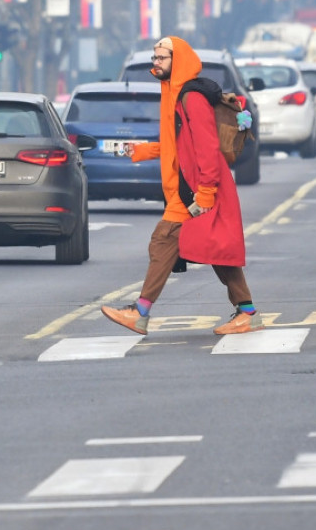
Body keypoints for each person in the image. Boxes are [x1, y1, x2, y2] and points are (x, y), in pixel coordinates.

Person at [100, 36, 264, 336]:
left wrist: (206, 192)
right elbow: (178, 144)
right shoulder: (173, 93)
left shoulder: (191, 98)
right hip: (191, 187)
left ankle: (141, 312)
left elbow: (207, 146)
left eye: (161, 58)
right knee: (214, 250)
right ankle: (247, 311)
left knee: (163, 241)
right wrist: (140, 151)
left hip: (198, 188)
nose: (155, 63)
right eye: (155, 57)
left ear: (179, 61)